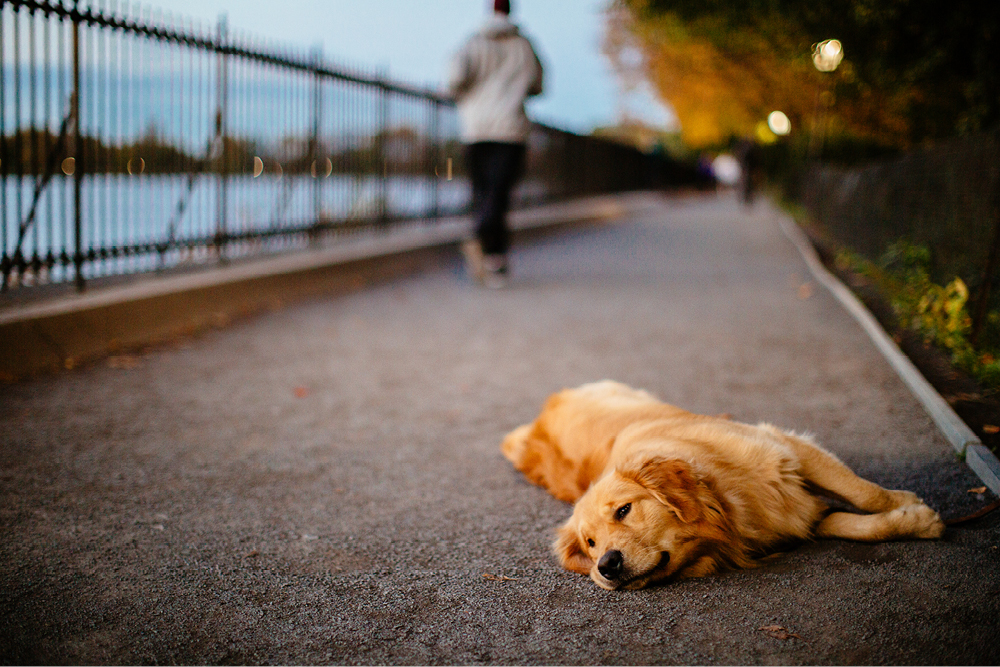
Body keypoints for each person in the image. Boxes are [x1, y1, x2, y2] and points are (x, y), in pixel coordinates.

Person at [448, 0, 544, 288]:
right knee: (499, 192)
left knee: (482, 191)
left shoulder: (472, 42)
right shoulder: (525, 46)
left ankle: (487, 246)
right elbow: (538, 85)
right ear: (511, 12)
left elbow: (454, 78)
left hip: (476, 128)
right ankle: (493, 255)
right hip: (510, 128)